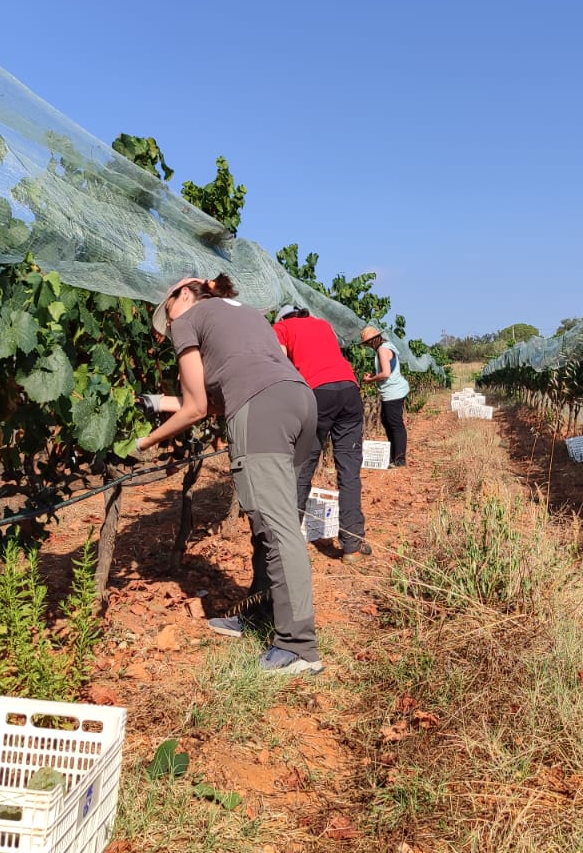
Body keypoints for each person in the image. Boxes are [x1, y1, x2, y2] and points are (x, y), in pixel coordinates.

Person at [138, 274, 324, 675]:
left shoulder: (188, 319)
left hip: (263, 411)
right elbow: (226, 392)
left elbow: (196, 409)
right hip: (298, 399)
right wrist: (159, 401)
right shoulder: (248, 314)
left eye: (167, 313)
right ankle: (261, 615)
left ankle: (298, 647)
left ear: (183, 294)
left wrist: (144, 443)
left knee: (275, 528)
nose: (169, 325)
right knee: (276, 521)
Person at [273, 303, 370, 562]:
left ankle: (288, 545)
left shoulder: (280, 328)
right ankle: (352, 545)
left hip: (318, 393)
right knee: (349, 471)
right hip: (350, 391)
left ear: (282, 317)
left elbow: (281, 366)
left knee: (303, 468)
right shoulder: (323, 325)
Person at [360, 325, 409, 467]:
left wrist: (370, 380)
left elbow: (386, 373)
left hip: (393, 392)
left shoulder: (382, 349)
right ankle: (394, 457)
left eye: (368, 342)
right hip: (393, 391)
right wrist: (375, 376)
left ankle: (399, 460)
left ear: (374, 340)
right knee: (387, 421)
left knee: (394, 424)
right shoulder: (388, 346)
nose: (368, 345)